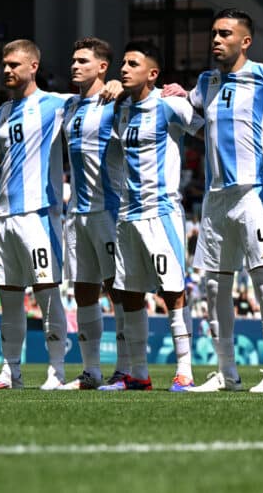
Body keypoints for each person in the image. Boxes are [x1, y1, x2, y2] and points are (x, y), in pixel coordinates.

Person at [183, 9, 263, 393]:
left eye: (224, 33)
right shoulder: (206, 81)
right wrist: (178, 96)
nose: (215, 39)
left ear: (245, 41)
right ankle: (226, 373)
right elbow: (194, 114)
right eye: (213, 32)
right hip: (215, 197)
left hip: (253, 193)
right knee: (214, 287)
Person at [0, 40, 77, 390]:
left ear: (33, 66)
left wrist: (113, 85)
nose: (6, 70)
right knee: (9, 295)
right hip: (2, 216)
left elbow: (95, 98)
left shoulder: (55, 103)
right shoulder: (1, 112)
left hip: (38, 214)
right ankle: (9, 372)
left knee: (47, 291)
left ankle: (56, 371)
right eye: (4, 64)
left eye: (14, 64)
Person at [100, 41, 204, 391]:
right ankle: (138, 374)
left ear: (153, 73)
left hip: (161, 214)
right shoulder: (122, 109)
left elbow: (207, 129)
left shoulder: (169, 105)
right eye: (123, 63)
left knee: (172, 291)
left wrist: (190, 96)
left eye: (132, 64)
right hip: (127, 215)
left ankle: (185, 370)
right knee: (128, 292)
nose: (124, 69)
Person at [58, 38, 127, 390]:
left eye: (83, 61)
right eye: (73, 60)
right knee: (84, 290)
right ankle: (91, 371)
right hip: (77, 214)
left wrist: (121, 85)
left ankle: (126, 369)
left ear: (102, 66)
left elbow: (147, 97)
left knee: (119, 290)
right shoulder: (69, 106)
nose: (74, 66)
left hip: (108, 210)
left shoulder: (115, 102)